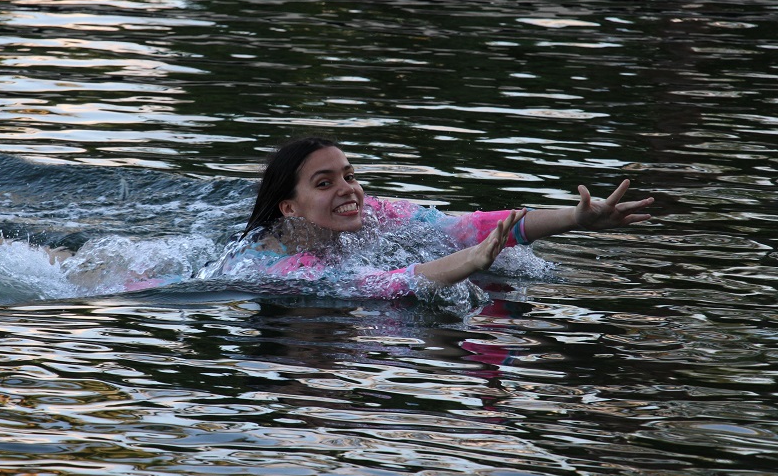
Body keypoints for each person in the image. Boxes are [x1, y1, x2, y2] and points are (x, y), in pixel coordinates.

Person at [213, 136, 654, 298]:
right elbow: (383, 284)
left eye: (350, 175)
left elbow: (469, 226)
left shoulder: (379, 213)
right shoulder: (279, 269)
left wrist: (576, 219)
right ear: (289, 207)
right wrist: (472, 261)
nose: (349, 190)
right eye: (325, 183)